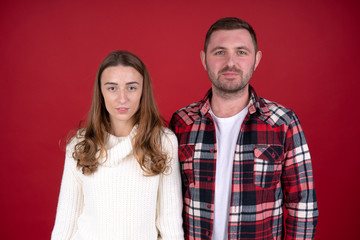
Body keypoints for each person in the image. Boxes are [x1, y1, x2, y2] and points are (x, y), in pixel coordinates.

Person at [170, 17, 318, 240]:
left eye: (241, 52)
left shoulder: (283, 122)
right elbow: (167, 201)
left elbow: (303, 204)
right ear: (204, 59)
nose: (231, 62)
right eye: (220, 52)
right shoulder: (181, 123)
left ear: (256, 59)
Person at [52, 50, 184, 240]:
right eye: (112, 88)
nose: (122, 99)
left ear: (143, 91)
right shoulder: (80, 144)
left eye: (131, 88)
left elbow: (170, 223)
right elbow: (66, 222)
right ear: (101, 92)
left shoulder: (162, 141)